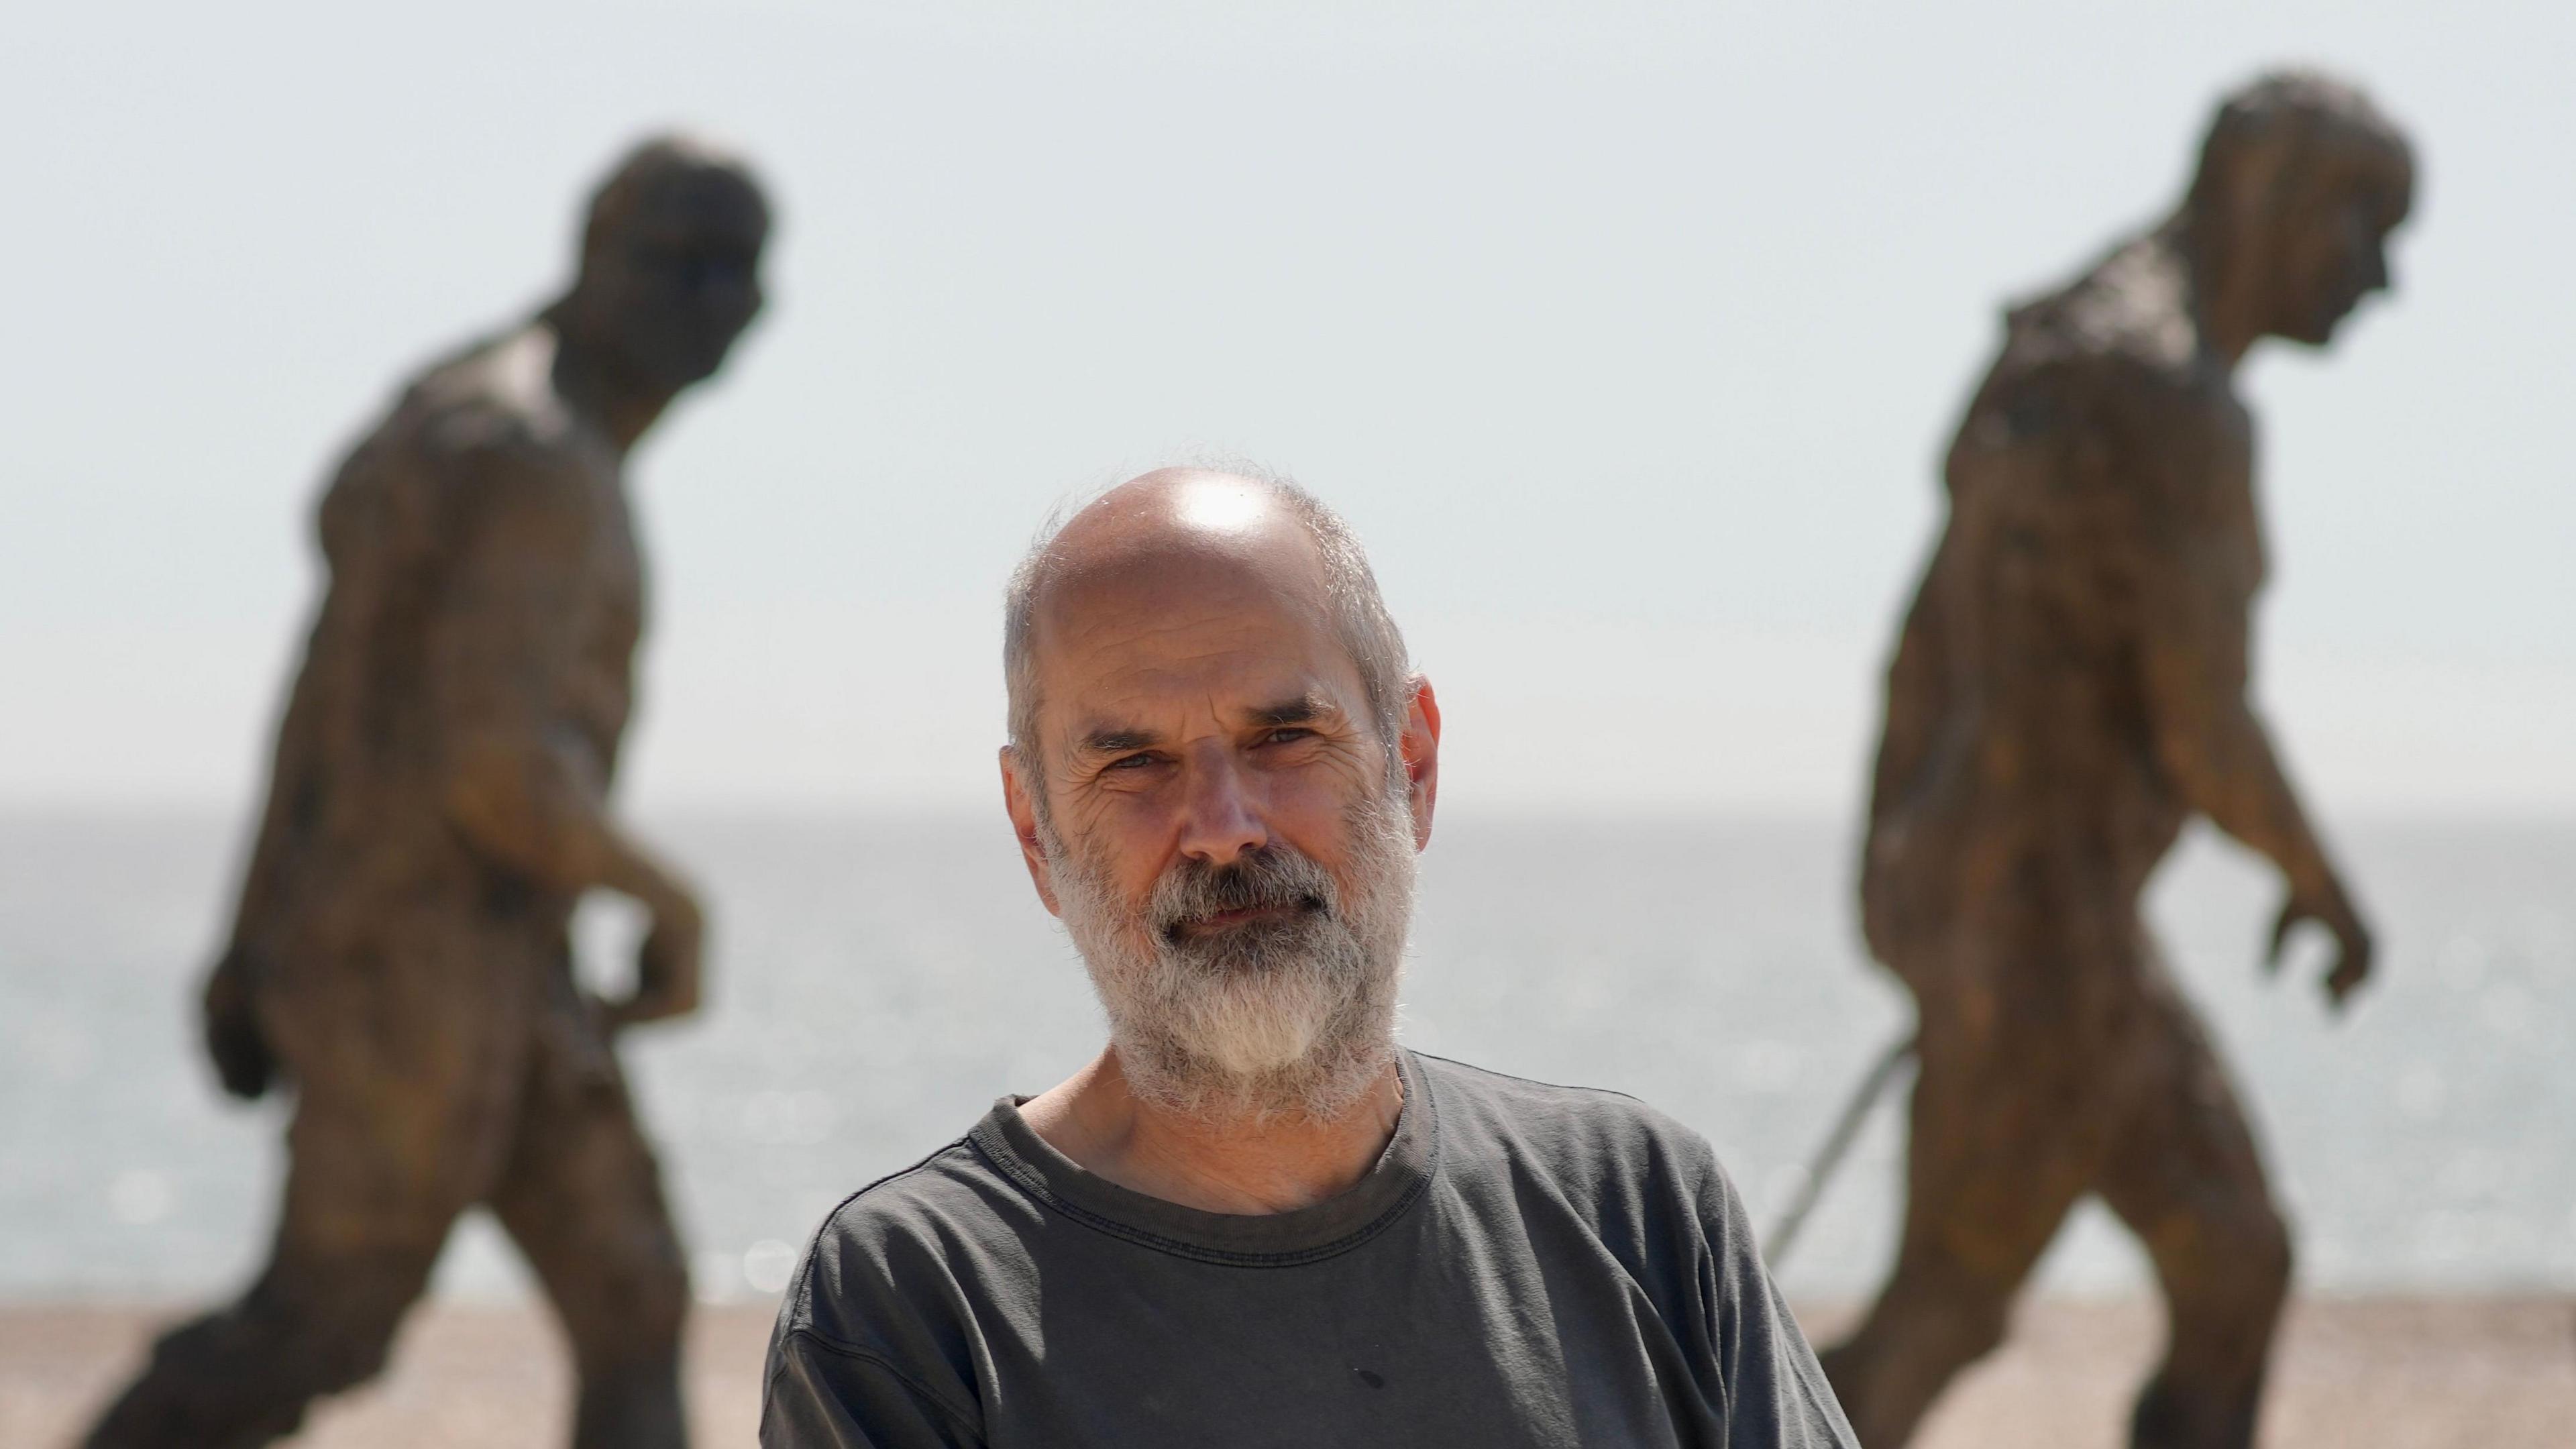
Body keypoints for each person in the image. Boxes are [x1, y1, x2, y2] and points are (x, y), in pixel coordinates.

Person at [760, 466, 1858, 1447]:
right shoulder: (911, 1309)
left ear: (1412, 765)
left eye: (1283, 737)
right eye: (1134, 761)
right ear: (1034, 829)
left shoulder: (1638, 1210)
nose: (1225, 824)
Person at [85, 137, 772, 1449]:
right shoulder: (531, 461)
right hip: (415, 972)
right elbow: (492, 770)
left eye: (734, 272)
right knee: (322, 1321)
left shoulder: (471, 419)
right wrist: (673, 902)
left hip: (505, 965)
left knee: (630, 1293)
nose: (714, 306)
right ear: (598, 255)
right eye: (681, 263)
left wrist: (250, 936)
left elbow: (323, 707)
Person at [1821, 74, 2413, 1449]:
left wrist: (1907, 883)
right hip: (2039, 932)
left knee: (2229, 1260)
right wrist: (2324, 884)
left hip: (2029, 912)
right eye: (2363, 230)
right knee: (1949, 1309)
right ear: (2270, 198)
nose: (2378, 282)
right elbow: (2205, 723)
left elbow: (1927, 662)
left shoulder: (2060, 351)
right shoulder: (2163, 401)